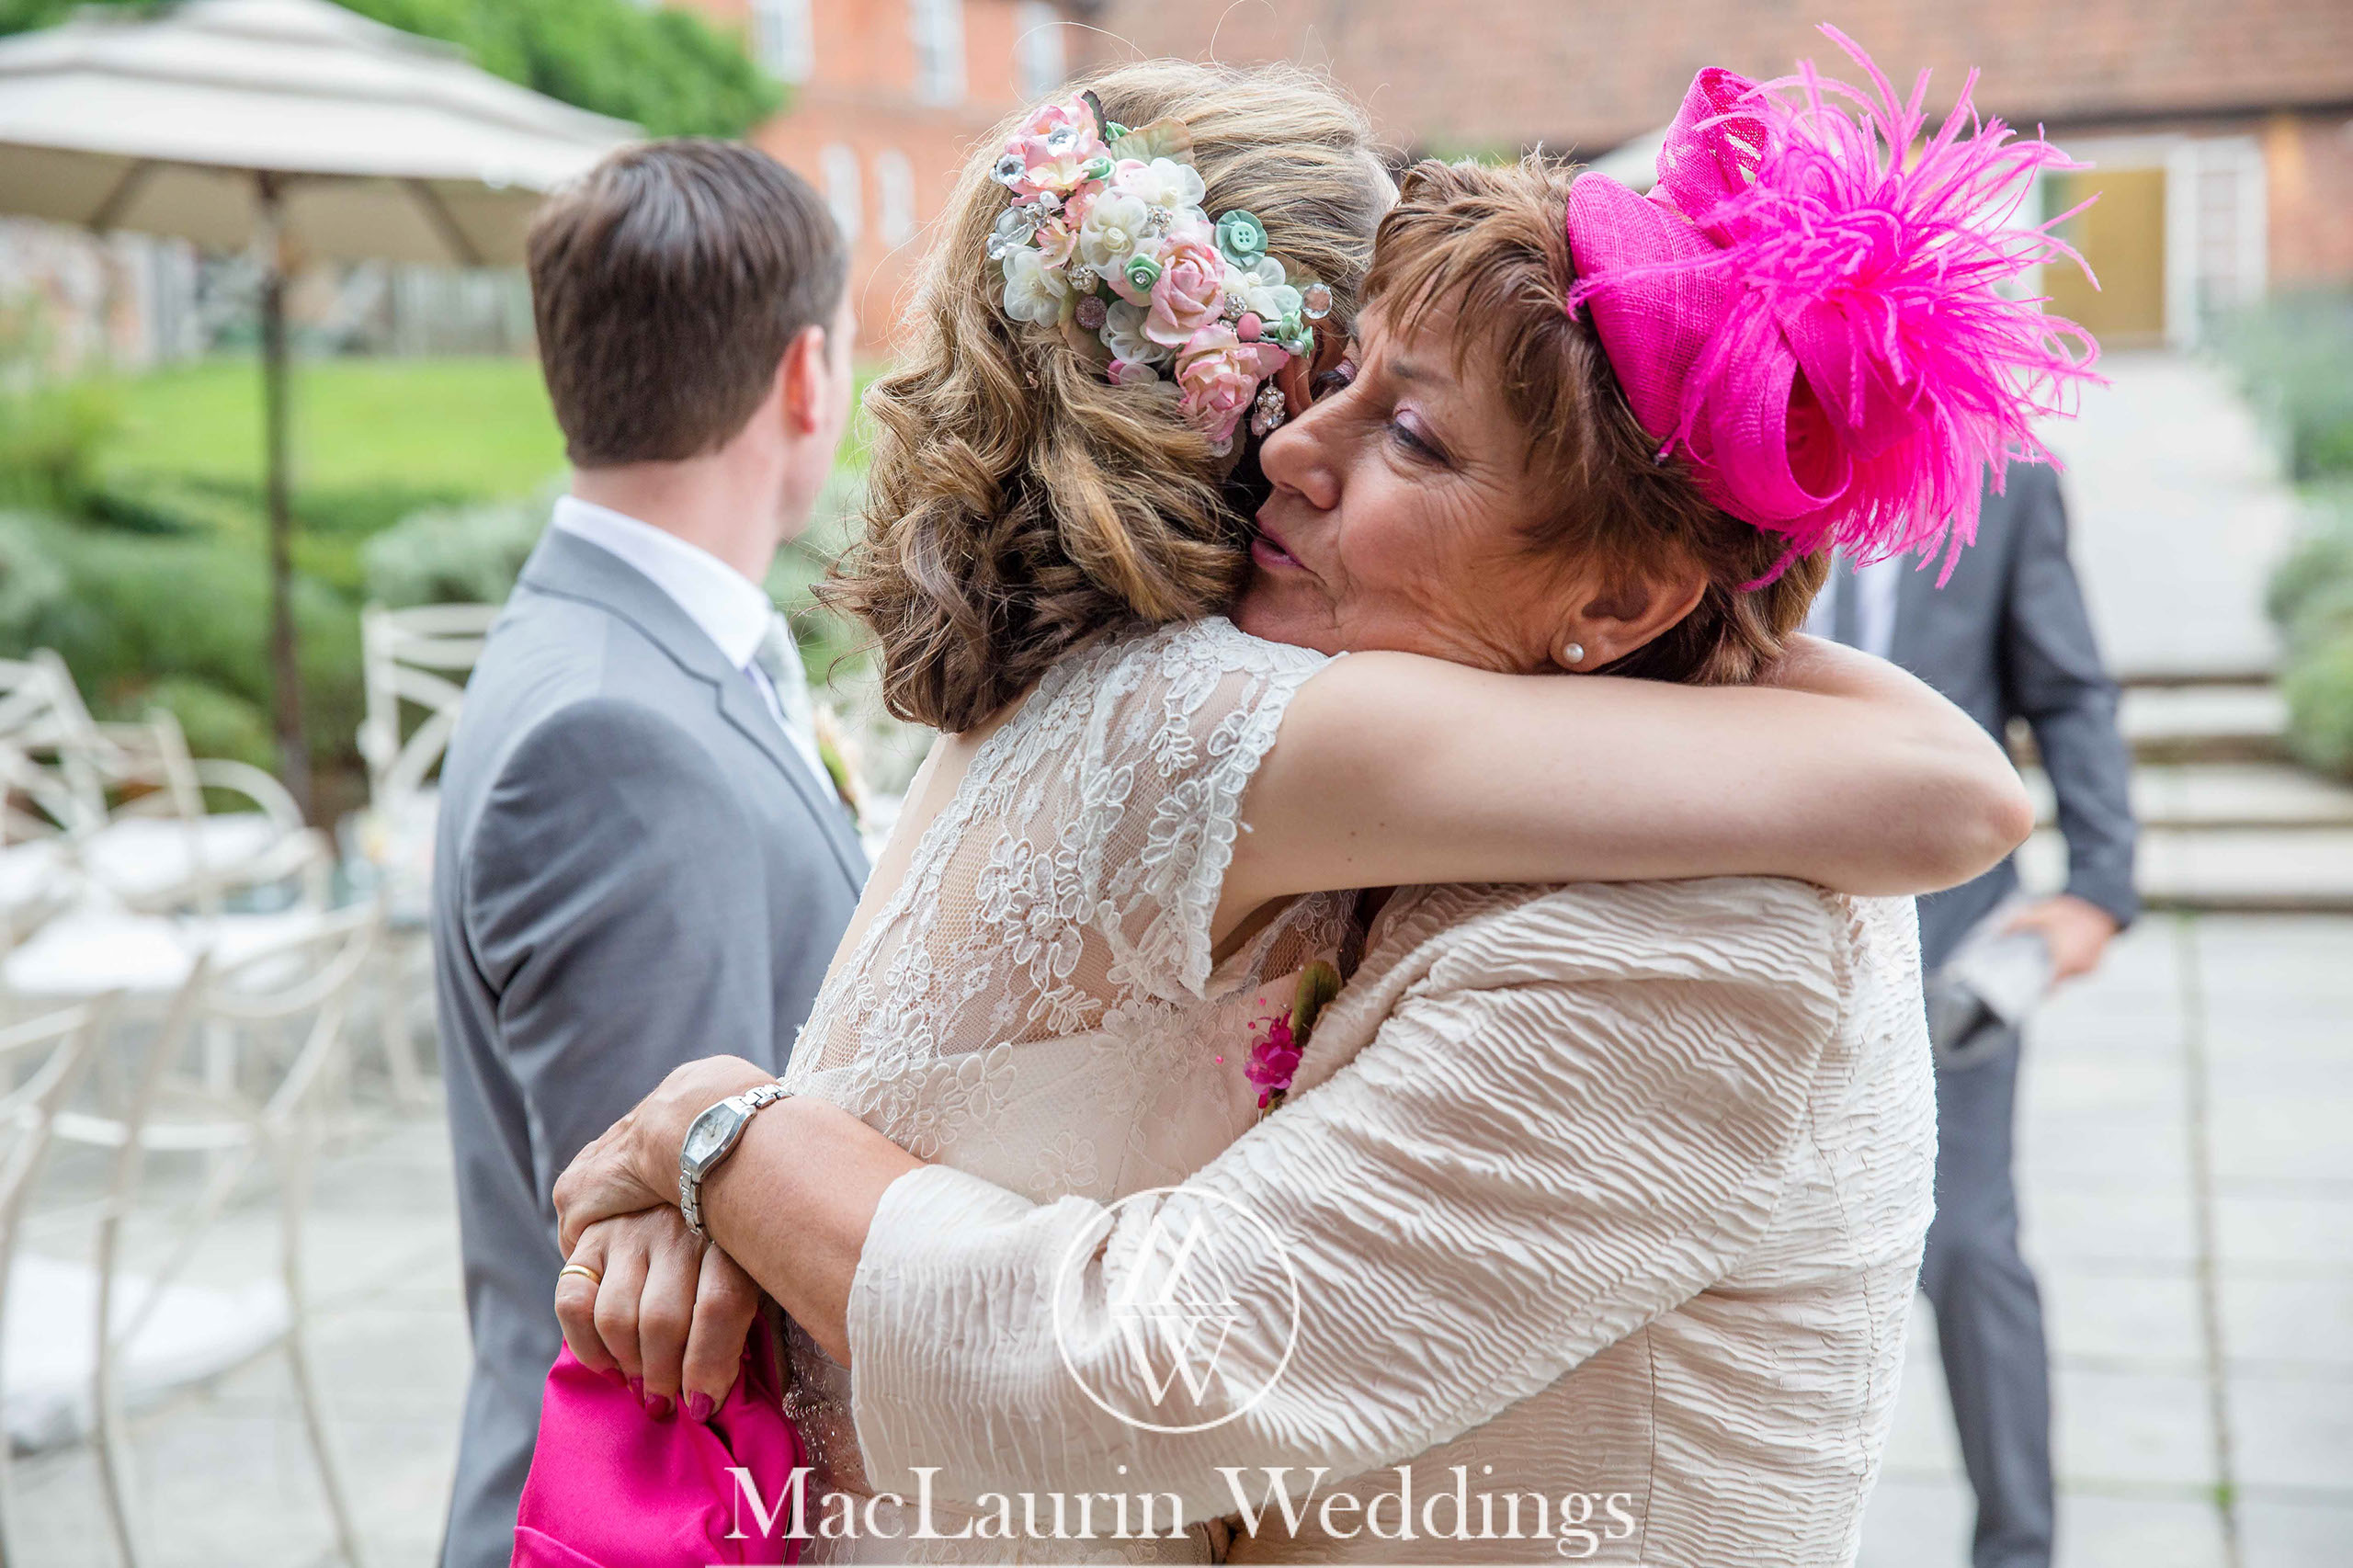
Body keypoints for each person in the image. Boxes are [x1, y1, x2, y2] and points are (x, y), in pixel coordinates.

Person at [544, 48, 2089, 1564]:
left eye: (1408, 431)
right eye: (1336, 379)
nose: (1294, 444)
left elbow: (1147, 1375)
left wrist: (722, 1136)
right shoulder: (1373, 752)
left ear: (1620, 598)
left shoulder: (1702, 934)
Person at [428, 140, 867, 1568]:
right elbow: (665, 1281)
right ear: (806, 376)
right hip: (647, 1520)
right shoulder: (617, 735)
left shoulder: (638, 654)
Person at [1812, 463, 2138, 1568]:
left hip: (1955, 942)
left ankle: (2018, 1547)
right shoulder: (1738, 458)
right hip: (1772, 917)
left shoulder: (2007, 486)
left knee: (1968, 1242)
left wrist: (2097, 883)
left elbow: (2067, 687)